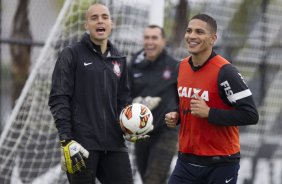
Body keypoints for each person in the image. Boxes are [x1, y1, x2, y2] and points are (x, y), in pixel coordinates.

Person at [165, 14, 259, 184]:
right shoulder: (181, 67)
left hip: (221, 164)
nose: (192, 36)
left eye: (199, 32)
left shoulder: (225, 71)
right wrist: (175, 115)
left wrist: (209, 113)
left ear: (212, 39)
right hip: (185, 162)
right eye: (189, 31)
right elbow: (179, 102)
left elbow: (251, 115)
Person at [48, 4, 134, 184]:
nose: (100, 21)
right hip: (80, 145)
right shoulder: (71, 54)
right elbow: (58, 98)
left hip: (115, 145)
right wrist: (66, 141)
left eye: (104, 17)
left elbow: (123, 101)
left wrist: (130, 126)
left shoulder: (119, 58)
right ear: (86, 25)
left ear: (112, 23)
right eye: (94, 18)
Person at [128, 25, 179, 184]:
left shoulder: (175, 66)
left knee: (153, 179)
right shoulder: (132, 66)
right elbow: (123, 97)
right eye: (147, 37)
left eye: (154, 38)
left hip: (166, 132)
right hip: (141, 133)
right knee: (147, 178)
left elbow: (183, 100)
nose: (150, 42)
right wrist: (135, 104)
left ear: (163, 41)